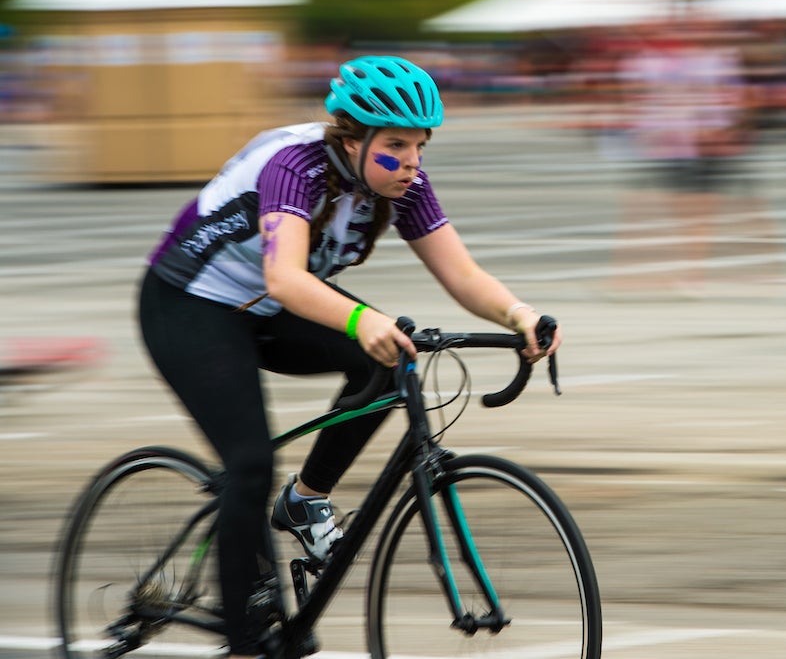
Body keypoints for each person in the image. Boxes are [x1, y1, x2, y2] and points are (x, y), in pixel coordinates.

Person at [138, 55, 560, 659]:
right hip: (189, 303)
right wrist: (363, 319)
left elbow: (460, 273)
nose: (411, 161)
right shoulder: (296, 167)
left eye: (419, 145)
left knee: (393, 357)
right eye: (395, 145)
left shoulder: (400, 181)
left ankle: (305, 499)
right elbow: (285, 279)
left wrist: (519, 314)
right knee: (251, 462)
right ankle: (242, 642)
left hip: (264, 305)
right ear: (352, 138)